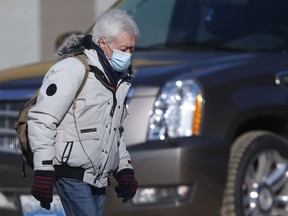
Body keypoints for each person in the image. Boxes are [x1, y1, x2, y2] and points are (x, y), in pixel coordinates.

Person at [27, 9, 140, 216]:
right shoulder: (73, 69)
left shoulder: (120, 79)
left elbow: (114, 129)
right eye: (125, 49)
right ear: (103, 43)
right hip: (70, 173)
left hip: (98, 175)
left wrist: (124, 170)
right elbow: (42, 120)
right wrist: (43, 170)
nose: (129, 56)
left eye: (132, 50)